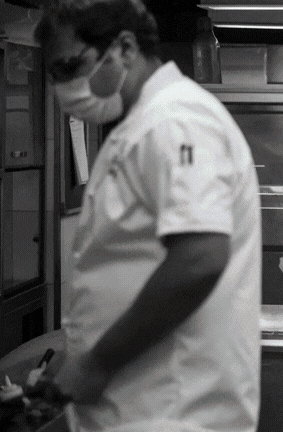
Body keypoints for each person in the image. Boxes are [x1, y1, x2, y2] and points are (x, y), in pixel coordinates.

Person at [32, 1, 262, 431]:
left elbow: (200, 258)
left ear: (124, 47)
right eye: (55, 75)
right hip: (139, 408)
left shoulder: (175, 120)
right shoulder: (142, 125)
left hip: (170, 411)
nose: (62, 88)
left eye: (70, 67)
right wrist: (79, 355)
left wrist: (97, 363)